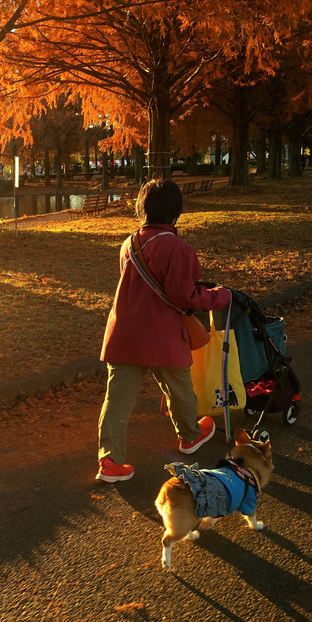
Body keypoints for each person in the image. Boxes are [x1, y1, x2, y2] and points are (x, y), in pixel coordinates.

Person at [96, 179, 232, 483]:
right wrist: (220, 296)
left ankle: (109, 461)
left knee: (116, 399)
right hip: (163, 334)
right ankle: (189, 436)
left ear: (142, 208)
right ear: (176, 211)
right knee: (179, 388)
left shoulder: (128, 243)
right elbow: (185, 295)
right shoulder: (178, 247)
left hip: (124, 333)